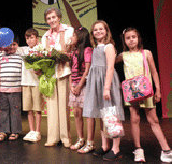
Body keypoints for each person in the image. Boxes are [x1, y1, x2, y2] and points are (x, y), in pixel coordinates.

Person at [116, 27, 172, 163]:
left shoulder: (146, 53)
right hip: (132, 92)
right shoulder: (123, 55)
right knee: (134, 119)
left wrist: (158, 90)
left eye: (133, 37)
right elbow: (110, 64)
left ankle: (165, 149)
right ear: (124, 40)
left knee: (153, 120)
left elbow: (154, 72)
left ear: (138, 38)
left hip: (147, 92)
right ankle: (138, 149)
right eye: (127, 38)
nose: (131, 40)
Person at [82, 20, 125, 161]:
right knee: (101, 114)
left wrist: (106, 88)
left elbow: (110, 68)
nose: (98, 31)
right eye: (95, 30)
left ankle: (116, 148)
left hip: (106, 82)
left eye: (101, 29)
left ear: (106, 31)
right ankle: (105, 145)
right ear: (92, 33)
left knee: (110, 114)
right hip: (96, 83)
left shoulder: (109, 47)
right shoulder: (96, 48)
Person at [41, 7, 74, 148]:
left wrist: (60, 53)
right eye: (49, 18)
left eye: (53, 17)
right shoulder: (45, 36)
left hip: (64, 71)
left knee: (63, 106)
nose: (51, 20)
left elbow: (71, 49)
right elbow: (43, 53)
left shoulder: (69, 30)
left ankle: (66, 138)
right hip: (50, 74)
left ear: (59, 17)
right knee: (51, 106)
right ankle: (52, 137)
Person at [67, 27, 94, 152]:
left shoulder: (87, 50)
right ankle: (80, 138)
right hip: (75, 83)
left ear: (80, 37)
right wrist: (71, 85)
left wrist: (80, 85)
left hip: (84, 84)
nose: (71, 37)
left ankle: (90, 142)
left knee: (87, 113)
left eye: (73, 35)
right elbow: (71, 69)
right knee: (77, 113)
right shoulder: (74, 51)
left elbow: (87, 70)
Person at [0, 36, 23, 142]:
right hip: (2, 89)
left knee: (15, 110)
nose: (11, 47)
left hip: (16, 88)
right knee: (2, 111)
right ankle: (3, 131)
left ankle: (15, 131)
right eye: (9, 44)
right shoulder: (1, 55)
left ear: (18, 45)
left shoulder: (20, 55)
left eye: (14, 44)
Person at [21, 28, 42, 142]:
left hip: (36, 82)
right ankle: (31, 130)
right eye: (27, 38)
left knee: (37, 109)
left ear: (36, 38)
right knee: (28, 108)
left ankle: (38, 131)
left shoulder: (41, 50)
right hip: (25, 82)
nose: (29, 40)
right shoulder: (24, 50)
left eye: (32, 38)